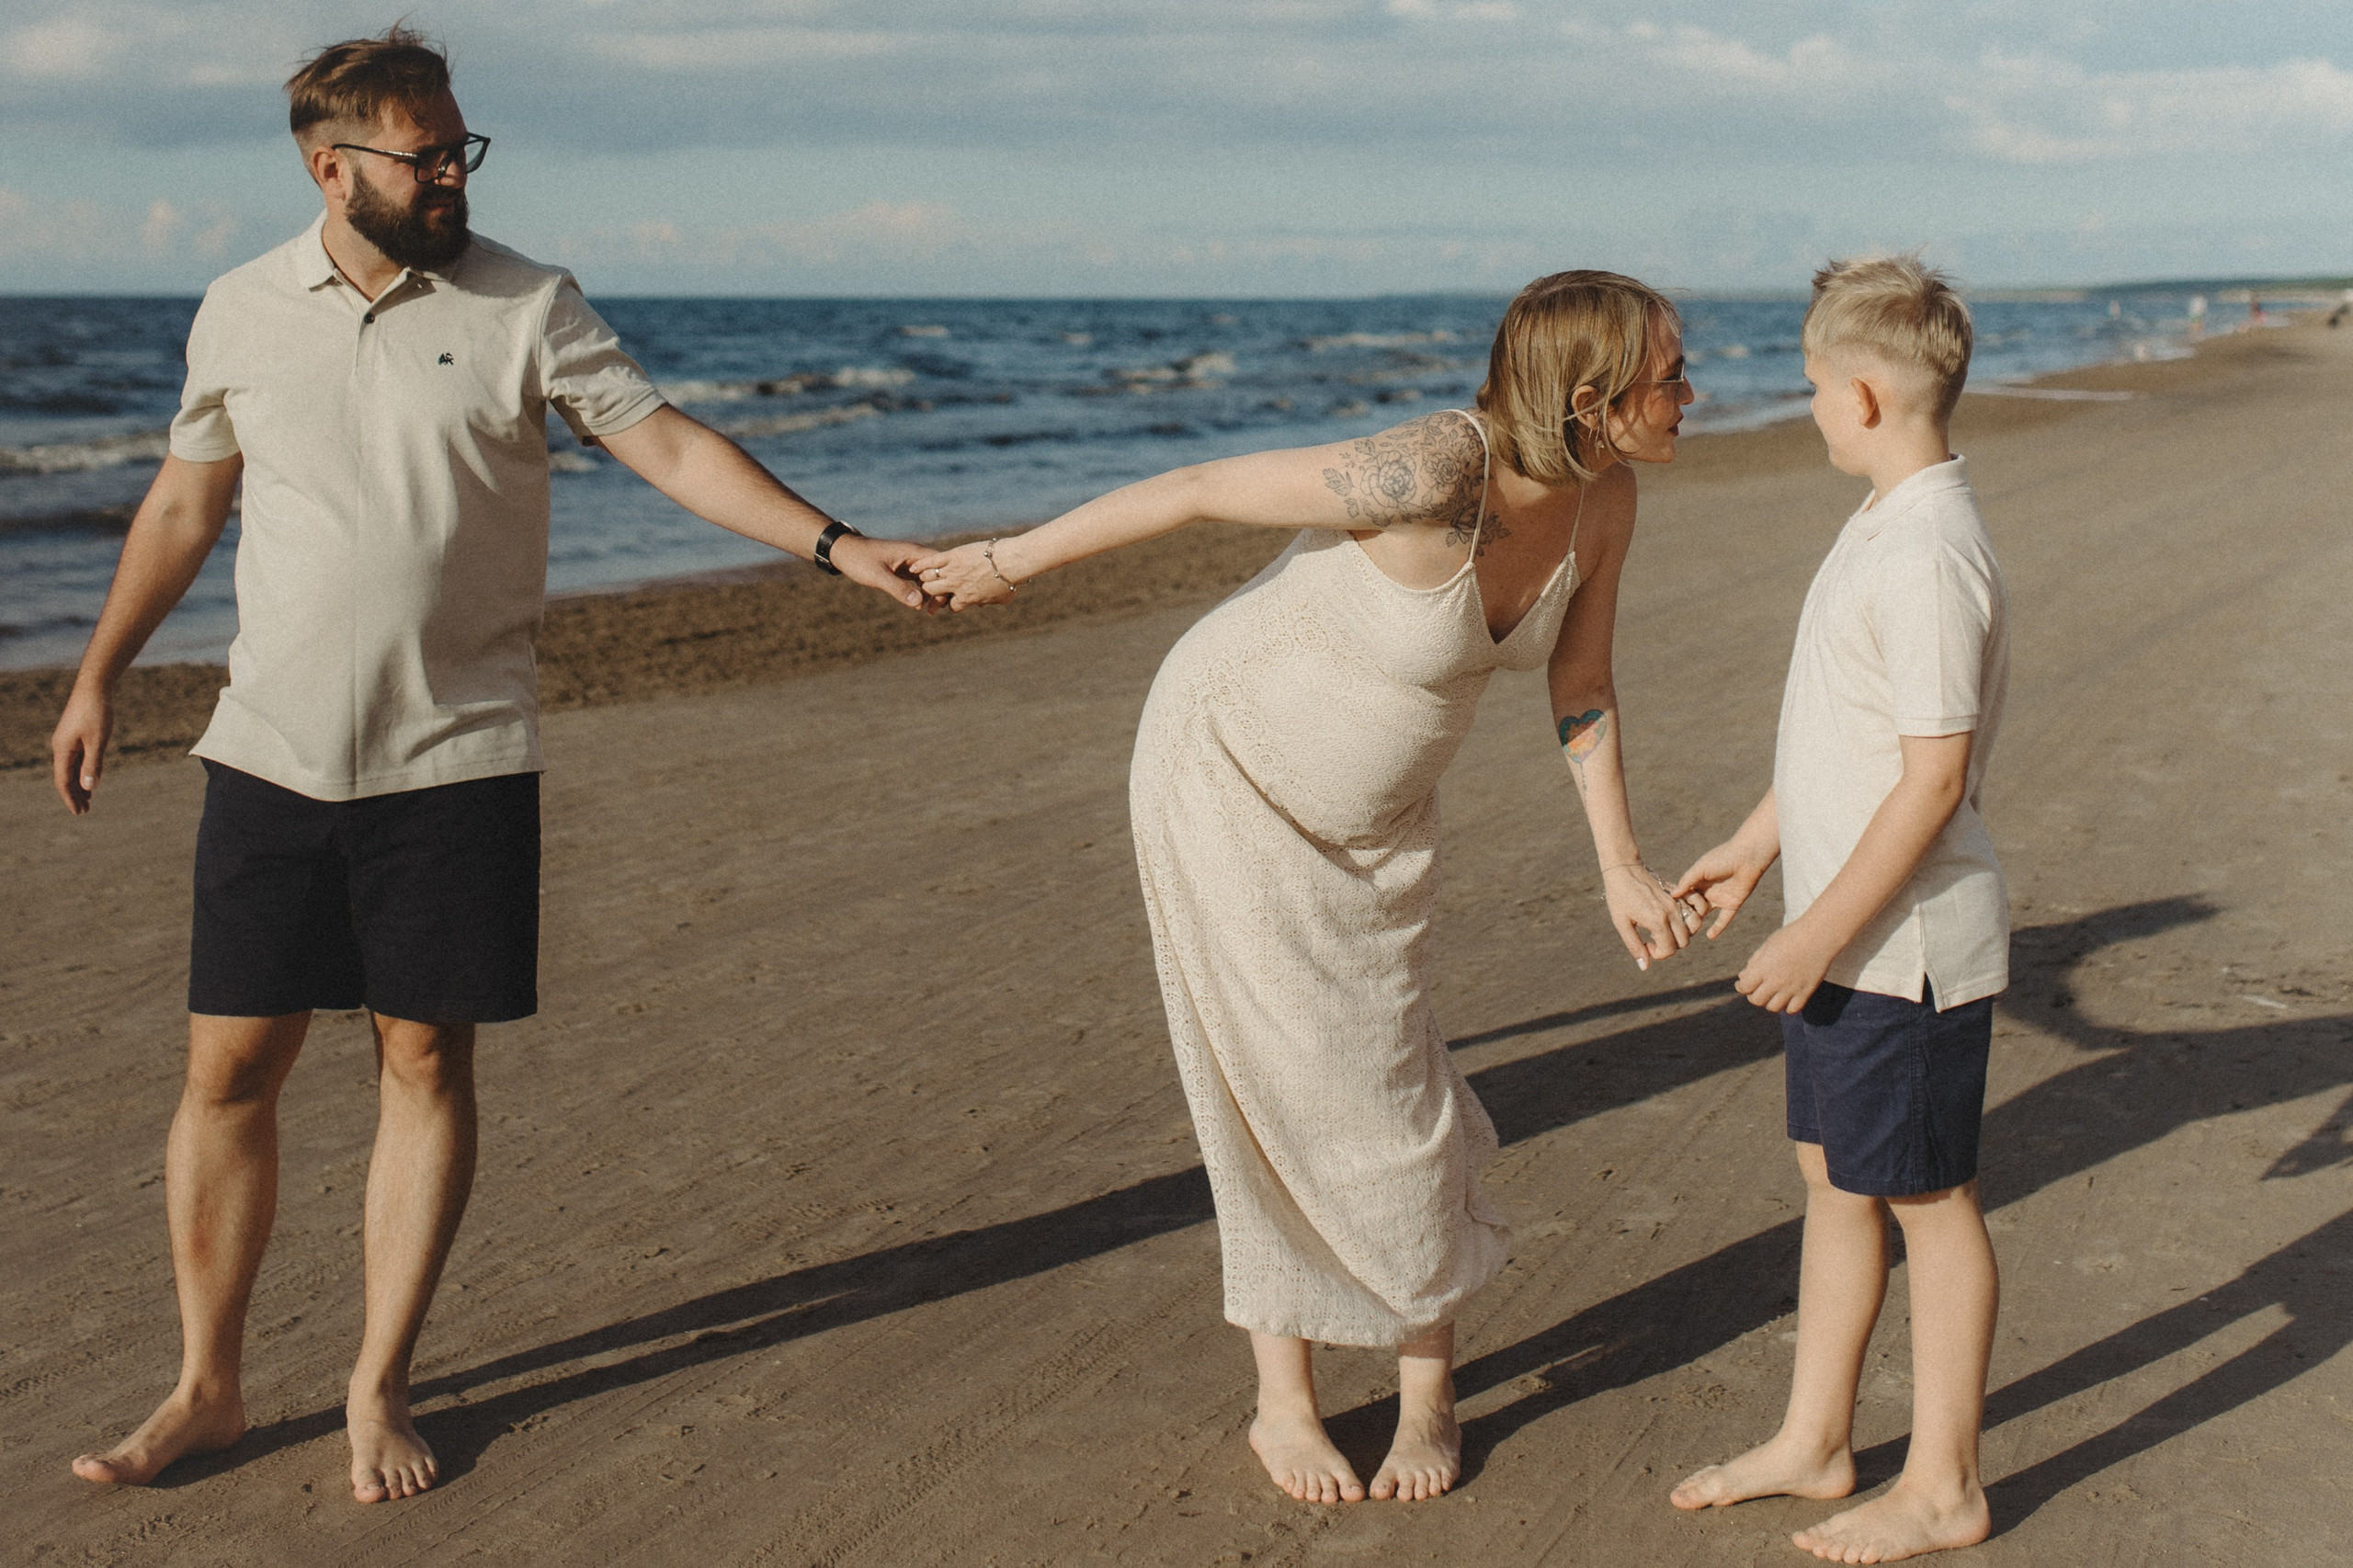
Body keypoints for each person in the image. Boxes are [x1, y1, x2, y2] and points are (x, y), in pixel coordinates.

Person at [50, 28, 933, 1505]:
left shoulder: (528, 302)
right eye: (425, 153)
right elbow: (186, 505)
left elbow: (667, 450)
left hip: (457, 759)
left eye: (463, 147)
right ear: (332, 168)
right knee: (229, 1069)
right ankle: (206, 1384)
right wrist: (94, 677)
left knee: (422, 1055)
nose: (453, 171)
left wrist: (839, 546)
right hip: (266, 754)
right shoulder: (238, 310)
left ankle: (377, 1381)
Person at [915, 272, 1705, 1504]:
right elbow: (1195, 490)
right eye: (1673, 375)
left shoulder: (1608, 503)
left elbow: (1581, 679)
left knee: (1390, 1071)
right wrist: (1006, 560)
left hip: (1376, 820)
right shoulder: (1431, 470)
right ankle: (1283, 1400)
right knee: (1263, 1074)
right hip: (1224, 768)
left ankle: (1425, 1391)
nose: (1692, 392)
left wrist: (1619, 861)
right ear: (1594, 398)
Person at [1666, 255, 2009, 1562]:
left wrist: (1815, 934)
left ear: (1864, 396)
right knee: (1837, 1177)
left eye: (1812, 387)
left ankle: (1945, 1482)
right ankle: (1817, 1437)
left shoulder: (1928, 550)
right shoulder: (1885, 517)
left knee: (1931, 1199)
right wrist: (1757, 850)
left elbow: (1931, 783)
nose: (1804, 406)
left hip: (1905, 947)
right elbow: (1845, 743)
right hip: (1847, 932)